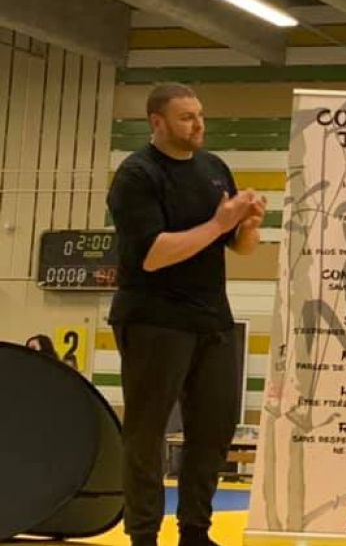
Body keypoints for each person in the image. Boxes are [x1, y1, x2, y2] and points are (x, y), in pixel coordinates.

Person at [107, 83, 265, 546]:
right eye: (186, 118)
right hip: (153, 318)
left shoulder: (214, 168)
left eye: (200, 115)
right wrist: (220, 221)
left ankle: (195, 530)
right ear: (157, 122)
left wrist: (248, 224)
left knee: (214, 429)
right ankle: (143, 535)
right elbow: (153, 255)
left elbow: (238, 247)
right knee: (147, 432)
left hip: (211, 318)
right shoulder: (137, 175)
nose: (198, 125)